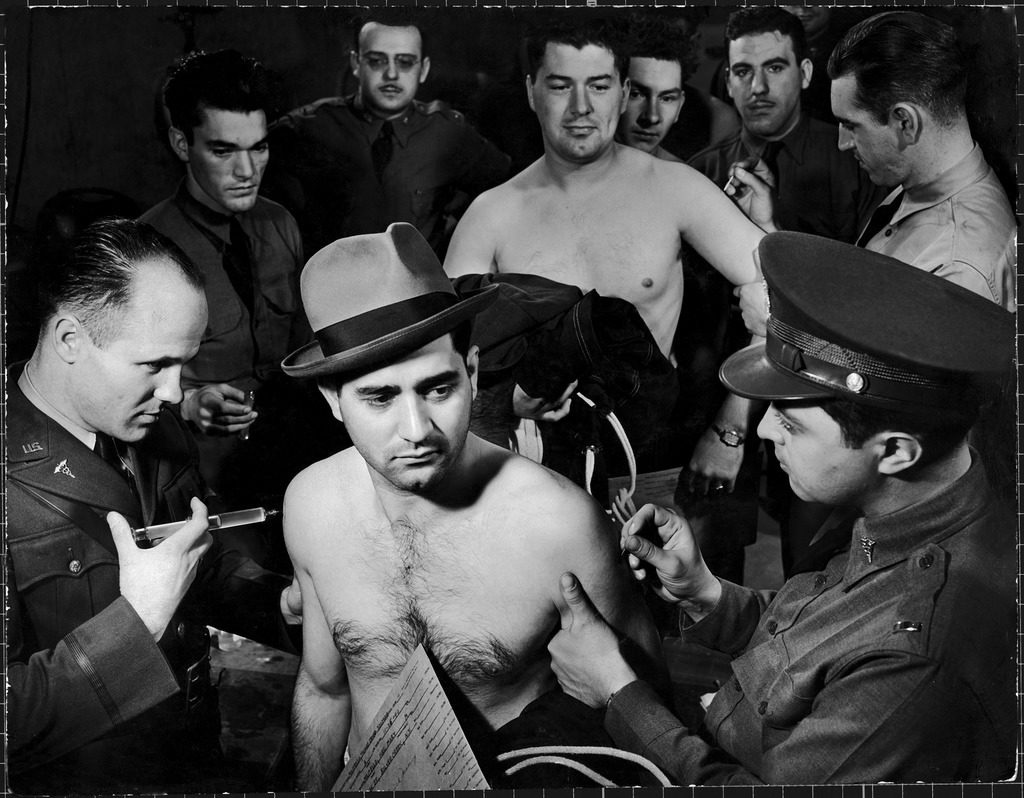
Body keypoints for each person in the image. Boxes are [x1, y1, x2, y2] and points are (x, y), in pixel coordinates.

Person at [547, 231, 1016, 784]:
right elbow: (828, 639)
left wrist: (615, 690)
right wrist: (706, 594)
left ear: (893, 450)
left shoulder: (916, 661)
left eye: (792, 423)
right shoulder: (911, 504)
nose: (766, 428)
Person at [280, 223, 663, 790]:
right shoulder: (310, 505)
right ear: (334, 400)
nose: (416, 430)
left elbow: (644, 699)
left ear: (473, 372)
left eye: (438, 389)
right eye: (380, 397)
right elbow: (324, 686)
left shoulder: (558, 524)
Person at [6, 219, 301, 794]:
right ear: (70, 340)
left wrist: (279, 601)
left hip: (186, 745)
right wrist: (137, 620)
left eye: (183, 364)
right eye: (154, 365)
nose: (174, 393)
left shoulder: (155, 432)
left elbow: (198, 557)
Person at [680, 6, 885, 581]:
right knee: (711, 568)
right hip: (724, 398)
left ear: (806, 71)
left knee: (817, 569)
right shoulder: (699, 176)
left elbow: (866, 295)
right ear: (726, 81)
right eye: (743, 71)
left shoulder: (855, 162)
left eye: (775, 67)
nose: (759, 86)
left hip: (826, 403)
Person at [445, 17, 763, 368]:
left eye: (598, 86)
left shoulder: (677, 188)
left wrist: (732, 416)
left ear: (623, 93)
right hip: (525, 420)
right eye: (561, 86)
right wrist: (507, 397)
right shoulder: (489, 216)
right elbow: (445, 354)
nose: (580, 106)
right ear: (531, 92)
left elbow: (784, 291)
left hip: (648, 417)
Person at [140, 49, 330, 567]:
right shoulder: (148, 248)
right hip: (204, 483)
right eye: (224, 150)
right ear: (183, 143)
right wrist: (190, 402)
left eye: (259, 148)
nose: (247, 170)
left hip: (289, 461)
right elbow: (120, 386)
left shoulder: (280, 225)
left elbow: (305, 348)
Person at [738, 10, 1016, 335]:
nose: (842, 143)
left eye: (851, 126)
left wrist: (778, 323)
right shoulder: (919, 184)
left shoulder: (958, 269)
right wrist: (770, 227)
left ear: (904, 122)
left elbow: (884, 379)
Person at [266, 12, 511, 257]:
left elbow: (508, 191)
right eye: (377, 61)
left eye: (405, 62)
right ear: (356, 64)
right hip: (331, 286)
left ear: (423, 69)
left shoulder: (448, 132)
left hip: (420, 290)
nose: (392, 74)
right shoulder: (309, 127)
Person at [615, 16, 690, 162]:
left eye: (667, 99)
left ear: (680, 106)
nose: (652, 117)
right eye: (635, 94)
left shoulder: (684, 179)